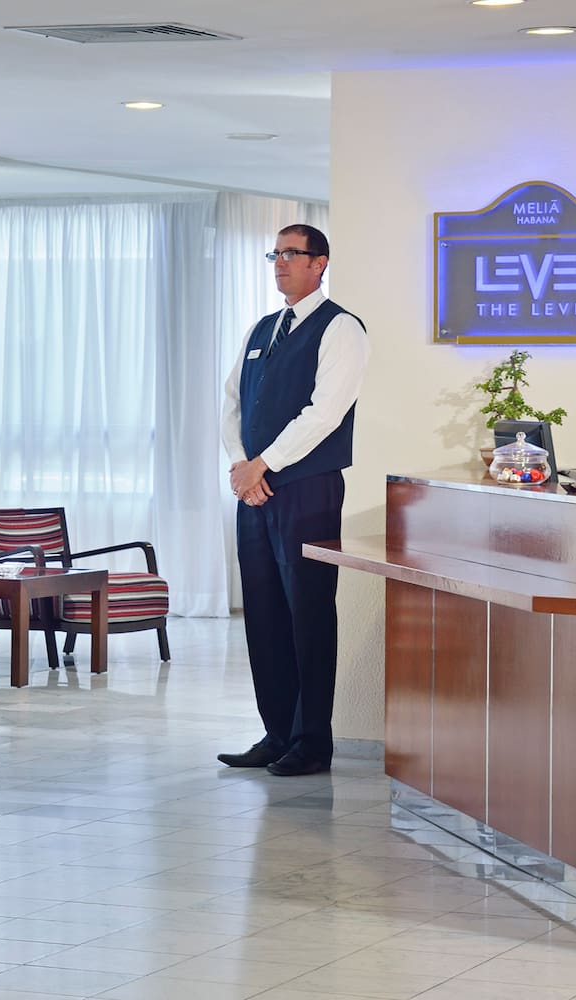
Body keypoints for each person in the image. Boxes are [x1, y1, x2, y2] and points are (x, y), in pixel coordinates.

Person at [217, 224, 369, 777]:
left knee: (306, 611)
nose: (280, 262)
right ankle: (277, 731)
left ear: (319, 263)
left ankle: (311, 742)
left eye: (291, 254)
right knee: (263, 611)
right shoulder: (263, 328)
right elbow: (232, 400)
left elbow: (325, 412)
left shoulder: (341, 329)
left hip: (306, 489)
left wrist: (264, 464)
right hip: (254, 490)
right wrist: (242, 465)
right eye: (275, 254)